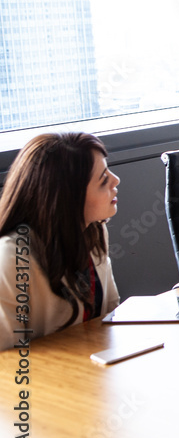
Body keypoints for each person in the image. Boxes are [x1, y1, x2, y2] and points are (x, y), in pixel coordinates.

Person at [0, 133, 121, 350]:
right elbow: (7, 360)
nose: (115, 180)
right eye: (103, 179)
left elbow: (109, 314)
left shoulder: (94, 230)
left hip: (89, 369)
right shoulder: (12, 257)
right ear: (68, 198)